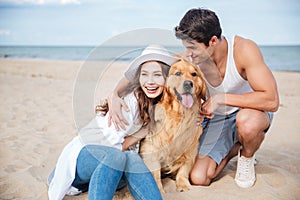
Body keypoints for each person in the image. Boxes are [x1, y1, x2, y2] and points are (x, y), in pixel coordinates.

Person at [108, 8, 279, 189]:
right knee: (199, 177)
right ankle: (234, 149)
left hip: (250, 112)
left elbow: (271, 100)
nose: (187, 53)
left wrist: (221, 99)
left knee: (247, 123)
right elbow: (146, 68)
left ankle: (247, 156)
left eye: (191, 47)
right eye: (185, 46)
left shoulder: (244, 50)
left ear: (212, 41)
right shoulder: (191, 58)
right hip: (216, 119)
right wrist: (115, 94)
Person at [47, 44, 179, 200]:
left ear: (167, 78)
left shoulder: (158, 105)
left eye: (157, 75)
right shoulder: (130, 103)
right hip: (79, 165)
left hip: (106, 174)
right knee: (119, 157)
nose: (150, 81)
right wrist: (143, 131)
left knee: (132, 158)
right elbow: (114, 147)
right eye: (145, 74)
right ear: (139, 78)